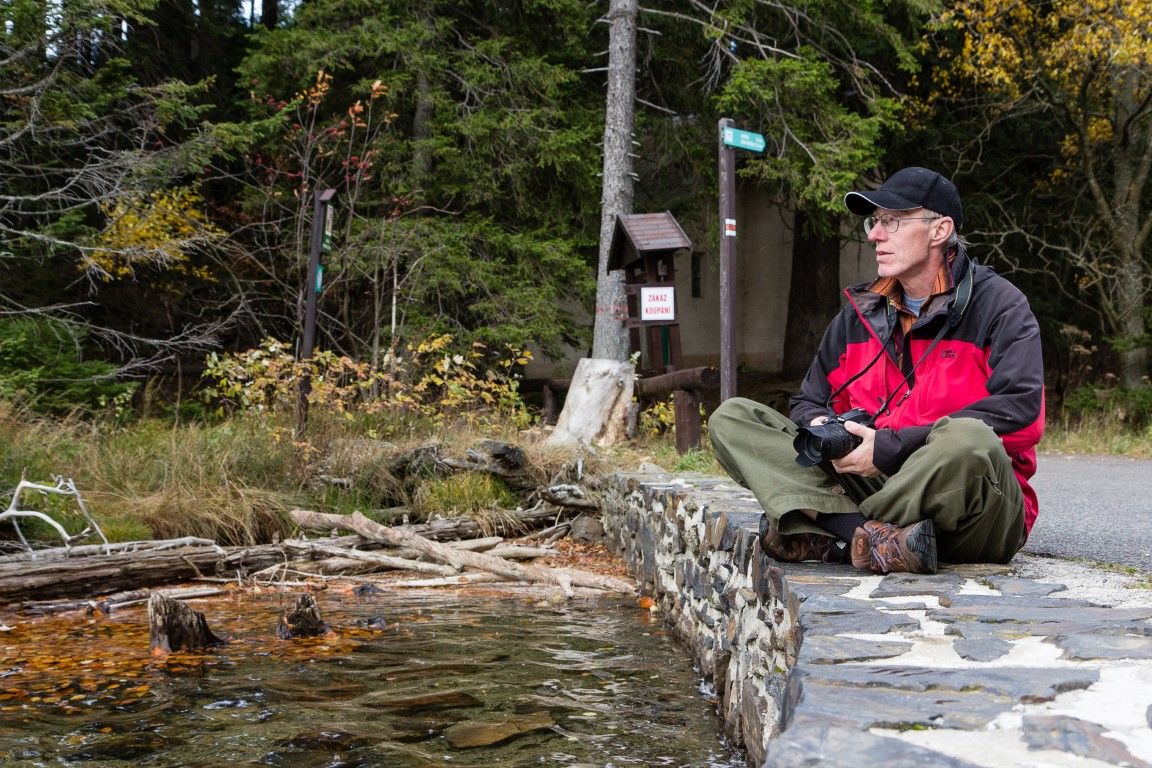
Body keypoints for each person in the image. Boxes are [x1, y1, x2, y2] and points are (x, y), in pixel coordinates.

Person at [708, 166, 1045, 574]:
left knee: (968, 439)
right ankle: (873, 538)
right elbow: (807, 401)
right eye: (874, 221)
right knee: (735, 418)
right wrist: (831, 431)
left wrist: (889, 447)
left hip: (972, 506)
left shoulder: (1001, 307)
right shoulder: (858, 315)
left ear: (940, 230)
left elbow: (1021, 413)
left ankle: (831, 527)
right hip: (876, 484)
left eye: (892, 222)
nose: (874, 234)